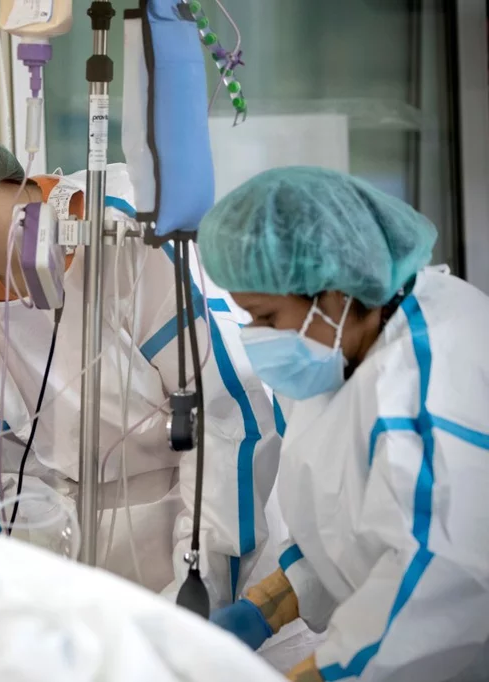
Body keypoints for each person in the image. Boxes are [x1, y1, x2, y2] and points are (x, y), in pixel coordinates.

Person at [0, 93, 284, 603]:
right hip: (76, 576)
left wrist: (200, 589)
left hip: (220, 551)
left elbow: (225, 421)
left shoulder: (124, 232)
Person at [198, 166, 489, 682]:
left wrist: (319, 674)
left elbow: (436, 584)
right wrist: (268, 606)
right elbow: (356, 521)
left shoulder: (431, 384)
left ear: (335, 293)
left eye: (265, 318)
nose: (255, 337)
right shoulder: (342, 349)